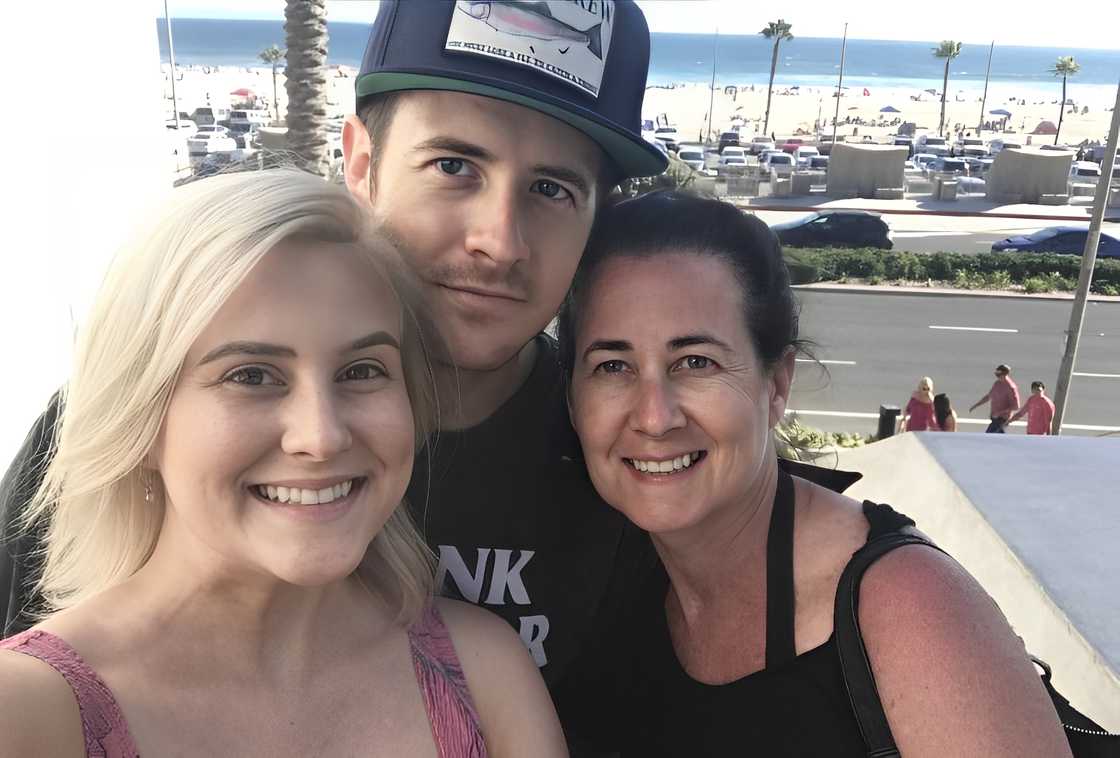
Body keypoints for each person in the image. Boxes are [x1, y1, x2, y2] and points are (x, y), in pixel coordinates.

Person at [2, 0, 665, 744]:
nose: (498, 242)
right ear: (360, 162)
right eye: (454, 165)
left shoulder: (631, 453)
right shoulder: (107, 438)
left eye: (551, 189)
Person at [0, 171, 565, 756]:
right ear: (140, 420)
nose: (320, 436)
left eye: (362, 370)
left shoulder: (484, 674)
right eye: (251, 376)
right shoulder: (28, 713)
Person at [555, 192, 1070, 756]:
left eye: (696, 362)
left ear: (776, 383)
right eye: (612, 366)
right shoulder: (597, 570)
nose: (654, 416)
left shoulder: (906, 611)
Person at [970, 364, 1021, 433]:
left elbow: (1016, 406)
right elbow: (989, 396)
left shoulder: (1011, 387)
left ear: (1005, 374)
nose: (997, 376)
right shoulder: (997, 383)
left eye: (999, 374)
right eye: (996, 374)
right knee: (997, 438)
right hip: (994, 417)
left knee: (989, 436)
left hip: (1002, 419)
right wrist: (976, 405)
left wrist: (999, 413)